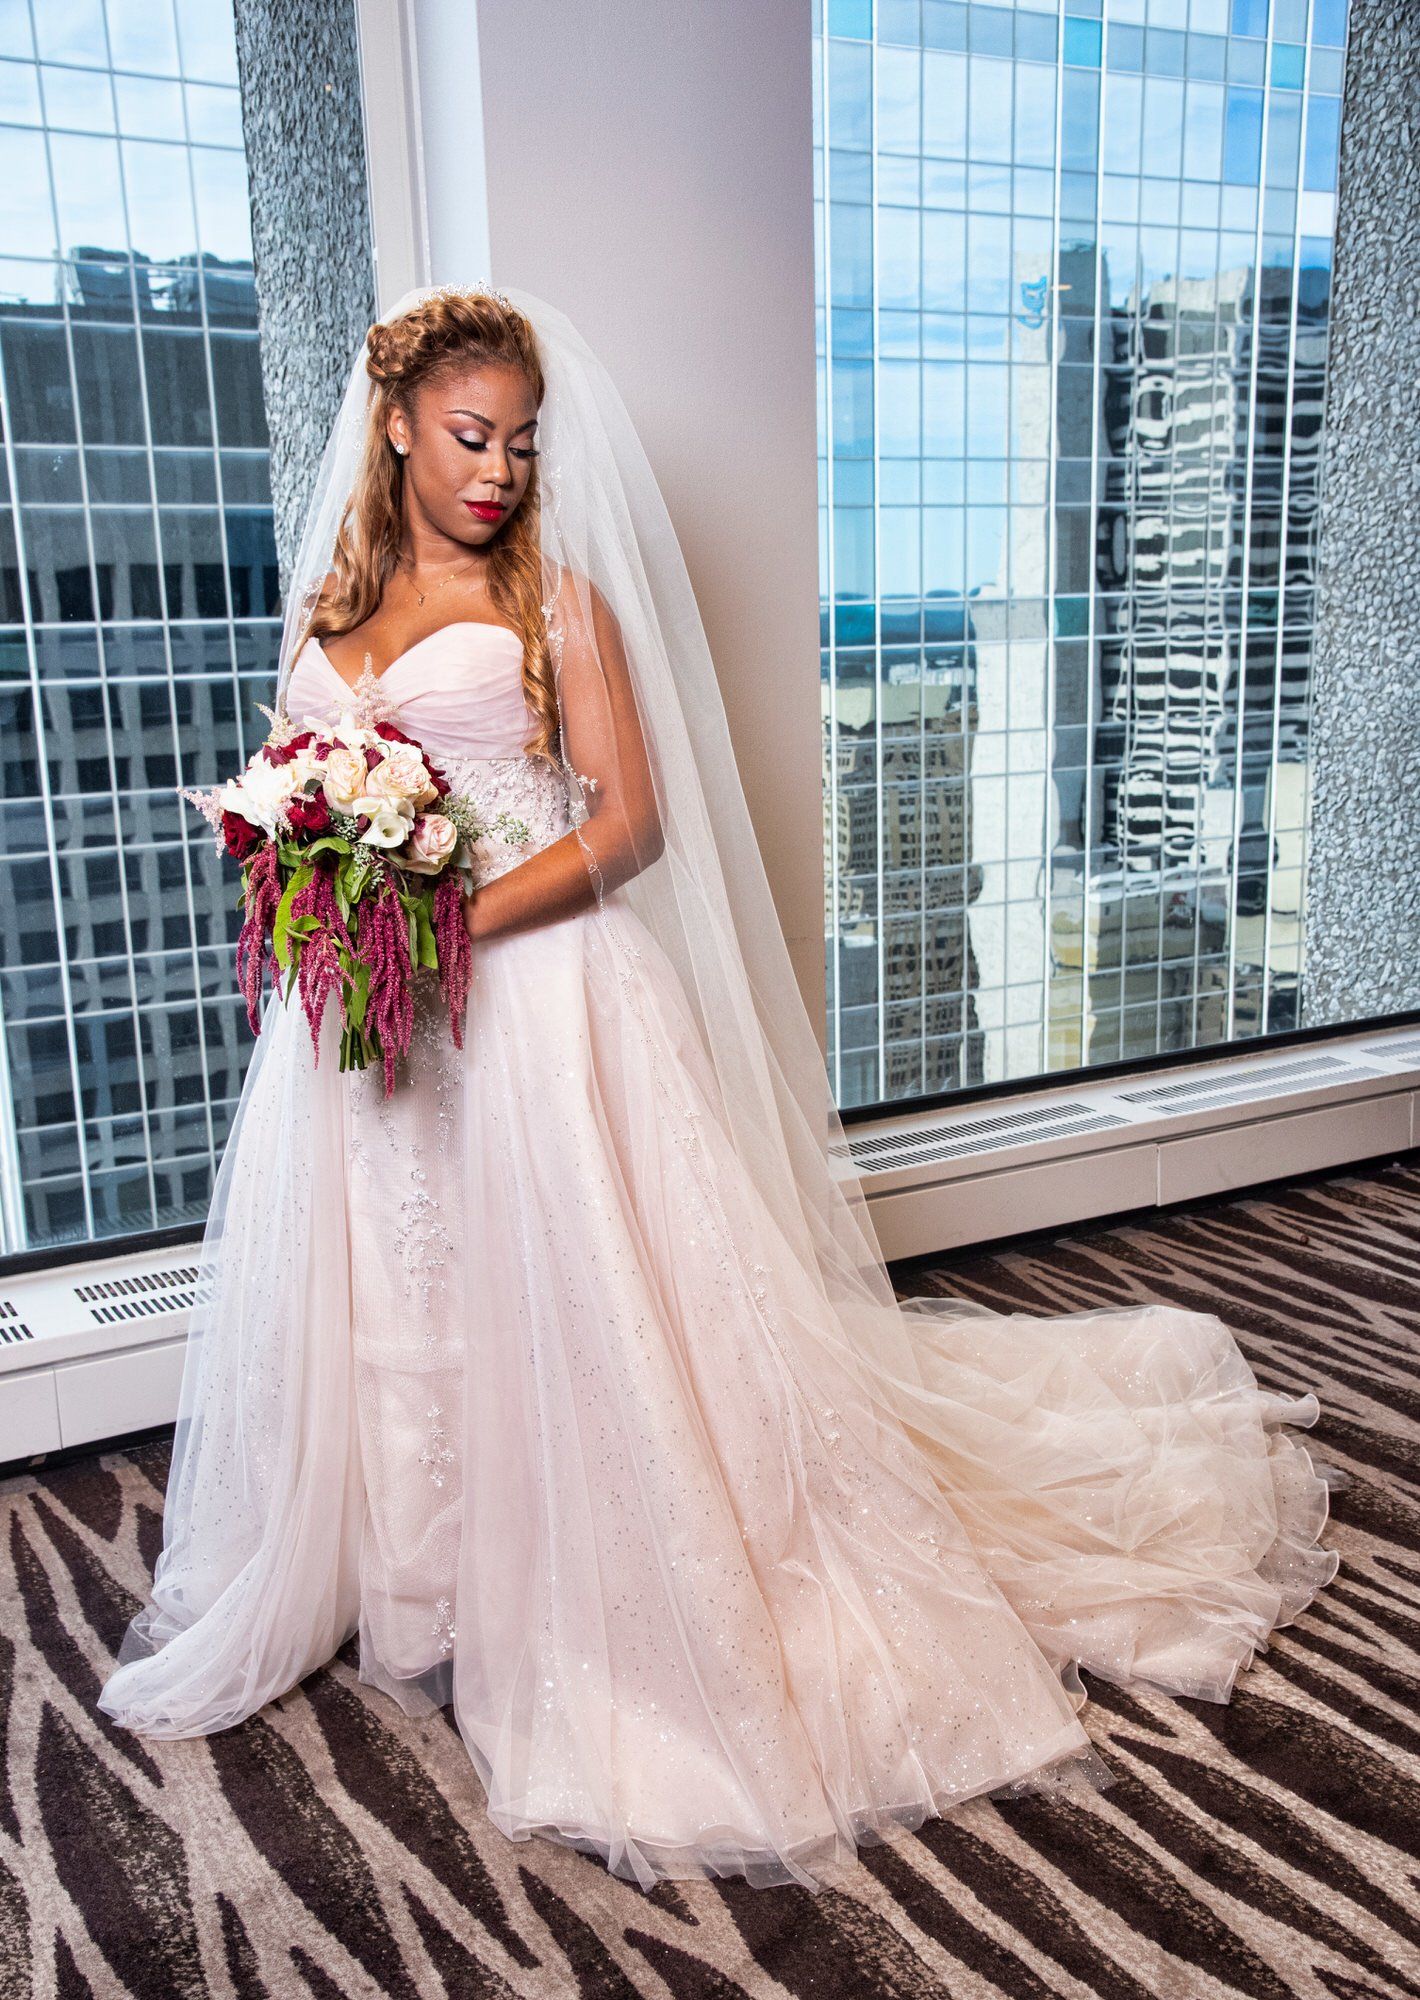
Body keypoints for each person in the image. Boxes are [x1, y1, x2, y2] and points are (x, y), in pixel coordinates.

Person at [97, 284, 1346, 1893]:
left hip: (539, 1000)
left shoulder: (561, 600)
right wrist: (326, 903)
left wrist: (449, 923)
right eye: (470, 436)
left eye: (520, 443)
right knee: (401, 1288)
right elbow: (293, 795)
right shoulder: (329, 613)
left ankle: (599, 1585)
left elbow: (626, 831)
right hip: (372, 1022)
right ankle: (421, 1572)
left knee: (598, 1307)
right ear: (398, 424)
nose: (496, 469)